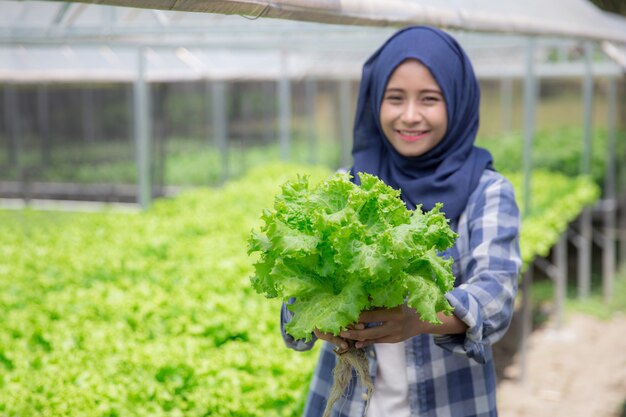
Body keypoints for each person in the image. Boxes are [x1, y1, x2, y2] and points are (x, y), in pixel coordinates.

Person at [280, 25, 521, 417]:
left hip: (450, 403)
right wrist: (316, 316)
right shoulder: (346, 187)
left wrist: (421, 318)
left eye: (429, 99)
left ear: (457, 102)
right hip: (348, 404)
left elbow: (497, 297)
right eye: (395, 99)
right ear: (375, 102)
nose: (410, 116)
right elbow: (295, 296)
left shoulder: (487, 191)